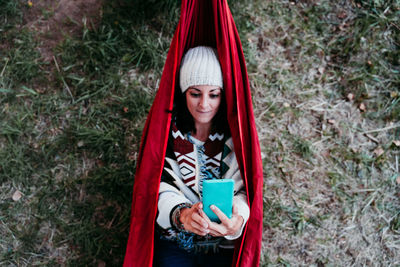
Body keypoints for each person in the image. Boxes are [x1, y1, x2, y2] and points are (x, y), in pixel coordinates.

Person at [153, 46, 250, 267]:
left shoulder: (237, 138)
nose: (204, 104)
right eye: (195, 93)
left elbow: (246, 190)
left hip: (223, 245)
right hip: (176, 241)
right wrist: (182, 215)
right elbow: (159, 187)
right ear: (183, 93)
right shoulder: (166, 134)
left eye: (213, 95)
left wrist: (238, 218)